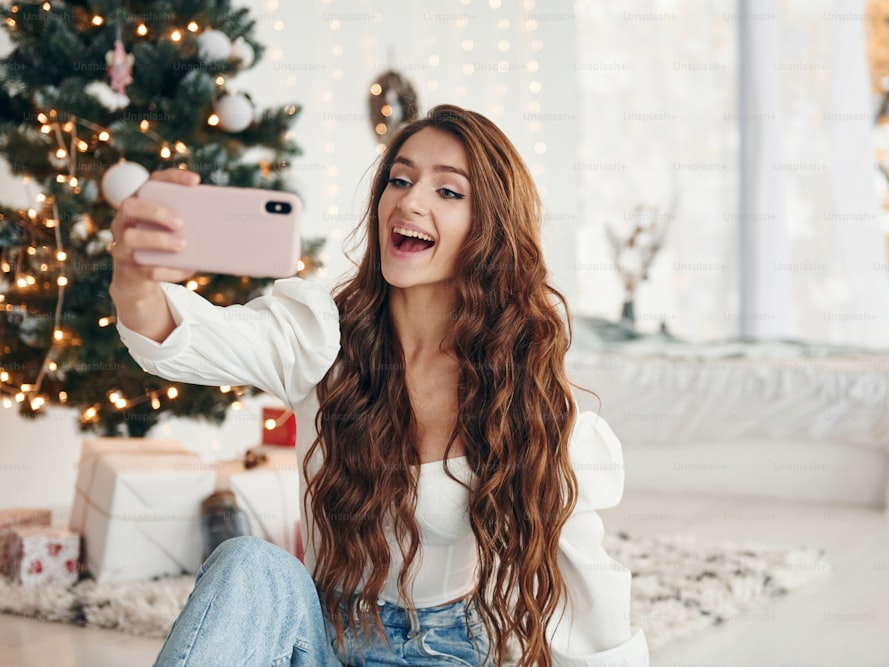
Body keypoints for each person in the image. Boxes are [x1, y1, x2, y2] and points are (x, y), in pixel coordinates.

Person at [110, 104, 649, 666]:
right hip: (317, 636)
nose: (410, 200)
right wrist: (136, 277)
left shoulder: (523, 393)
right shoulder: (319, 339)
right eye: (400, 178)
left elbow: (585, 592)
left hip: (442, 649)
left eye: (448, 192)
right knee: (248, 562)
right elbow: (176, 333)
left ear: (490, 227)